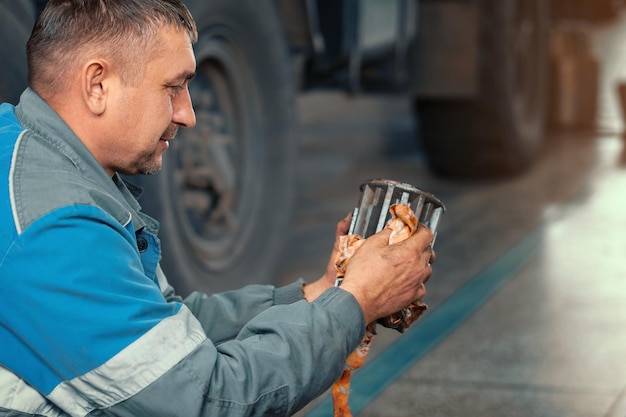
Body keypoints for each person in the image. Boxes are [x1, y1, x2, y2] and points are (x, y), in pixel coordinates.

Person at [0, 1, 435, 416]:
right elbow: (208, 401)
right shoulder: (56, 228)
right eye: (173, 88)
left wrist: (320, 294)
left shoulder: (32, 151)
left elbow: (160, 329)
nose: (188, 114)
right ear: (97, 85)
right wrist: (356, 302)